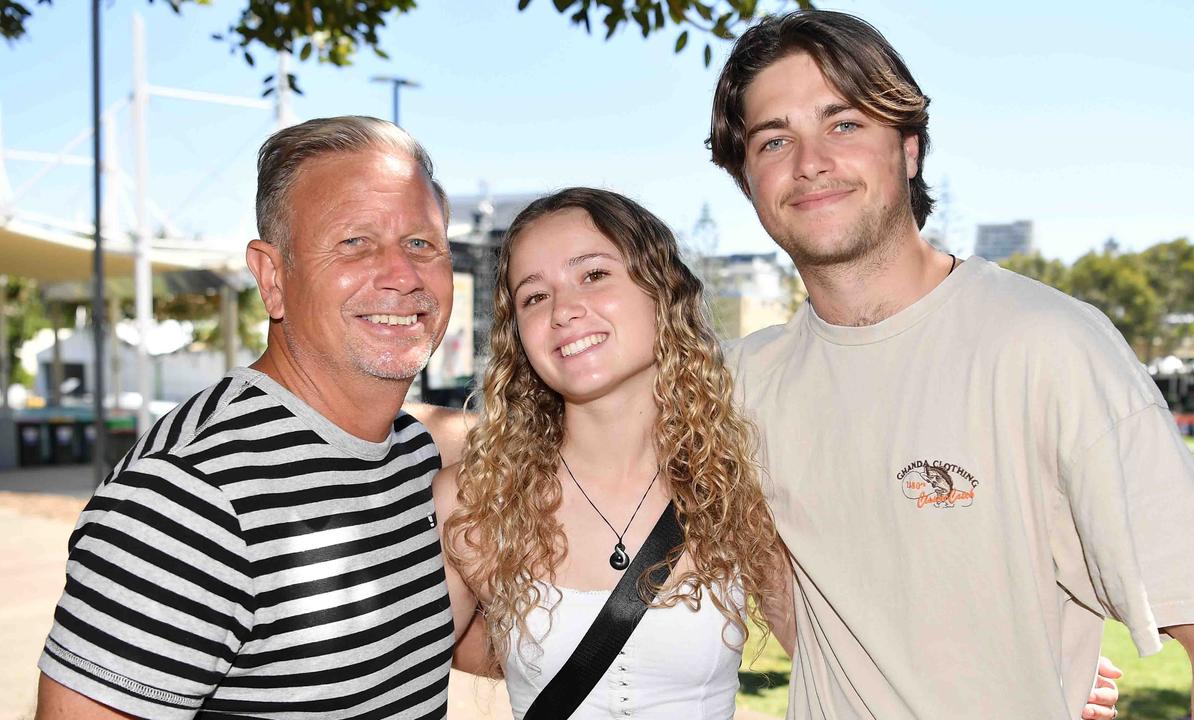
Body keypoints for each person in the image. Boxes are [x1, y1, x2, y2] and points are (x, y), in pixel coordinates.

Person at [707, 9, 1194, 719]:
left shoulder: (1048, 344)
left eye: (844, 124)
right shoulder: (737, 386)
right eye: (772, 139)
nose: (809, 161)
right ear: (747, 178)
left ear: (908, 148)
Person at [35, 116, 456, 718]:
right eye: (354, 243)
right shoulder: (184, 499)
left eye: (421, 243)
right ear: (273, 277)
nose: (401, 275)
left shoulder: (411, 455)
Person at [435, 187, 795, 719]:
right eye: (534, 296)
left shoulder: (743, 483)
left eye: (593, 275)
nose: (563, 311)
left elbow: (835, 667)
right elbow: (398, 679)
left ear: (662, 290)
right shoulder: (473, 501)